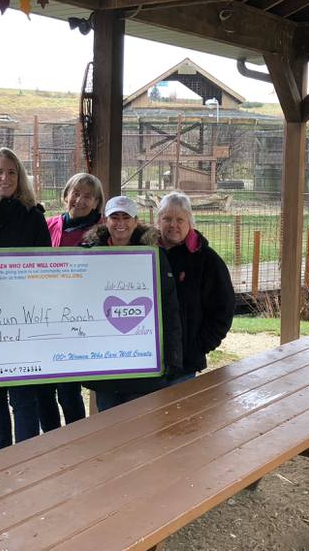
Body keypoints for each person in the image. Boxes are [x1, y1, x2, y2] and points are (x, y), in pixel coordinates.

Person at [0, 147, 52, 450]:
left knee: (24, 395)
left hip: (24, 318)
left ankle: (26, 459)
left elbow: (45, 269)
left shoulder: (32, 216)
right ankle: (0, 457)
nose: (4, 178)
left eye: (11, 172)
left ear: (19, 178)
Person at [81, 195, 183, 411]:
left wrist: (172, 358)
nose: (120, 223)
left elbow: (169, 308)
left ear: (136, 221)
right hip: (105, 366)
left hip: (143, 367)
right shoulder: (87, 256)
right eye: (114, 217)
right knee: (108, 429)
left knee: (142, 427)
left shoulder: (154, 256)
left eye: (126, 217)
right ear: (105, 221)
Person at [37, 173, 105, 429]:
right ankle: (52, 439)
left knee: (68, 389)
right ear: (66, 196)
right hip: (44, 318)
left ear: (97, 203)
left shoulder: (102, 232)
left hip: (77, 322)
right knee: (43, 389)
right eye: (75, 193)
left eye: (88, 196)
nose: (80, 200)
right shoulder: (48, 224)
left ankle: (77, 438)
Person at [156, 192, 235, 383]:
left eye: (180, 219)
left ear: (190, 222)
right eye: (167, 218)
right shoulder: (143, 254)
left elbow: (224, 308)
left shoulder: (206, 260)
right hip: (146, 360)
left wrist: (198, 346)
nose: (173, 225)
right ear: (158, 221)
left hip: (185, 362)